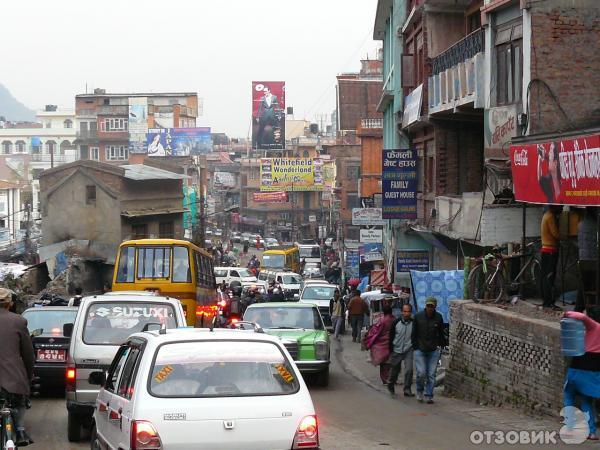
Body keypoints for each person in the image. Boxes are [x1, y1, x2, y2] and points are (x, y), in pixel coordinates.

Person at [0, 288, 35, 446]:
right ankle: (20, 431)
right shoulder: (18, 321)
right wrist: (29, 375)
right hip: (12, 379)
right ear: (10, 303)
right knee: (19, 402)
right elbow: (28, 354)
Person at [562, 307, 600, 441]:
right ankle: (592, 432)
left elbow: (583, 318)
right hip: (594, 370)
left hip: (579, 367)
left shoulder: (594, 326)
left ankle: (569, 428)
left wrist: (566, 313)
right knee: (586, 400)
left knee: (568, 394)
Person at [412, 297, 446, 404]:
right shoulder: (418, 317)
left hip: (433, 350)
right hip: (420, 349)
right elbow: (414, 333)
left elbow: (441, 333)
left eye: (432, 306)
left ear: (435, 307)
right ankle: (419, 390)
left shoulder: (439, 317)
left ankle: (429, 395)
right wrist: (415, 346)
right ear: (425, 306)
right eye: (428, 306)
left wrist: (441, 345)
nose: (430, 308)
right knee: (421, 373)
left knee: (431, 374)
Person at [387, 303, 414, 397]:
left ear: (411, 312)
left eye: (408, 311)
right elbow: (391, 336)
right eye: (405, 311)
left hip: (408, 349)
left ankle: (407, 389)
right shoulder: (396, 322)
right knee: (394, 371)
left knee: (409, 370)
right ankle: (390, 384)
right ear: (402, 312)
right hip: (396, 349)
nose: (406, 313)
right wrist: (390, 349)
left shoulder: (414, 323)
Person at [365, 305, 396, 384]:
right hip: (392, 343)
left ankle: (385, 379)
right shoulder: (394, 319)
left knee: (383, 364)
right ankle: (390, 378)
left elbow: (377, 332)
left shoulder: (383, 321)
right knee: (390, 362)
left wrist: (369, 341)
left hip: (382, 344)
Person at [576, 208, 598, 312]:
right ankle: (594, 308)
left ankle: (579, 308)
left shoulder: (580, 225)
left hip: (583, 259)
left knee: (584, 284)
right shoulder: (596, 225)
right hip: (593, 259)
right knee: (594, 284)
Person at [541, 206, 562, 309]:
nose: (561, 208)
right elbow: (555, 234)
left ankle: (546, 301)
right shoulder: (550, 216)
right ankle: (549, 302)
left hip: (546, 249)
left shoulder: (546, 215)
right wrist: (563, 236)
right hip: (551, 250)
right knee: (550, 277)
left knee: (546, 277)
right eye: (560, 206)